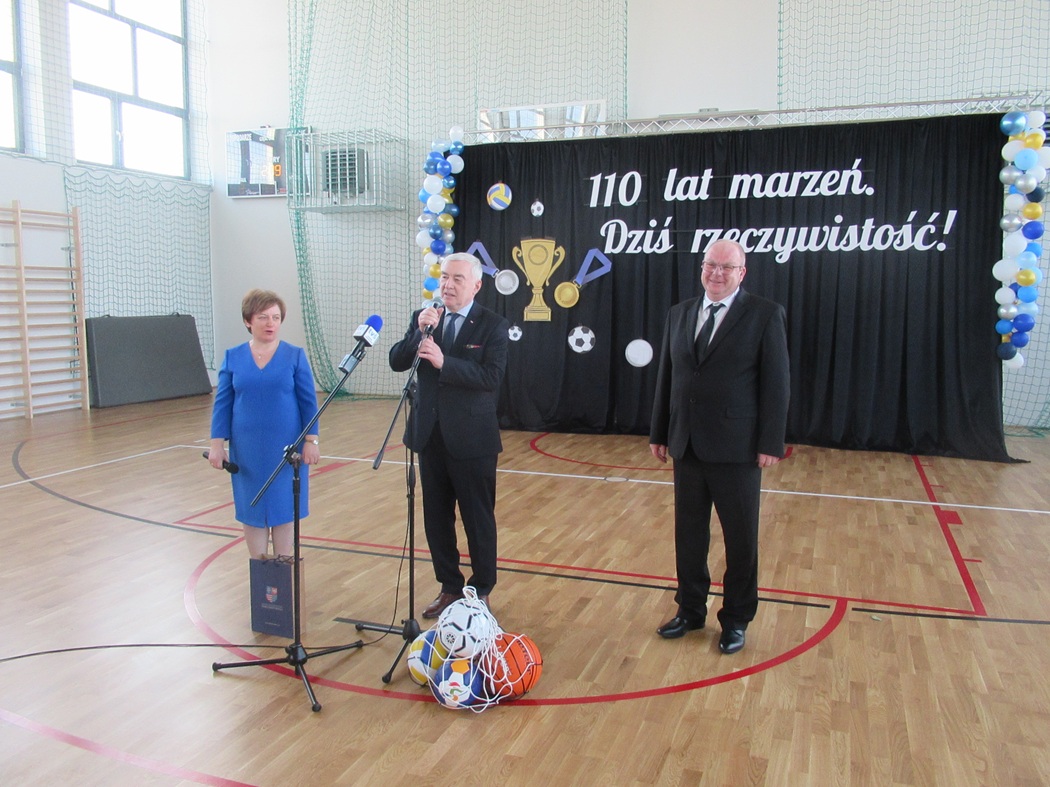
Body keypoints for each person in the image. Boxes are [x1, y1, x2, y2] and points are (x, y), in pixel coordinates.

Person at [649, 239, 790, 655]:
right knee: (689, 536)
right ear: (702, 267)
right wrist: (660, 432)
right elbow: (668, 376)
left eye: (727, 267)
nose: (717, 273)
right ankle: (690, 610)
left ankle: (736, 619)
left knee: (740, 540)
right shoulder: (679, 313)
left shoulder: (765, 315)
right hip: (687, 444)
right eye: (711, 264)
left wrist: (770, 441)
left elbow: (777, 383)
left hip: (738, 448)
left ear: (741, 273)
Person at [389, 252, 509, 619]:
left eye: (457, 278)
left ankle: (481, 591)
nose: (448, 285)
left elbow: (491, 378)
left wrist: (445, 363)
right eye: (444, 277)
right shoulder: (426, 317)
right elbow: (397, 361)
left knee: (477, 519)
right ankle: (450, 587)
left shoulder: (492, 325)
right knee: (437, 519)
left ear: (476, 285)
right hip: (430, 436)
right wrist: (417, 333)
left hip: (472, 439)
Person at [208, 289, 321, 559]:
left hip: (286, 449)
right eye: (263, 317)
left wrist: (311, 440)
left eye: (276, 317)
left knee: (284, 509)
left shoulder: (294, 356)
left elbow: (309, 403)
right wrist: (216, 445)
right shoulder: (233, 357)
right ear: (248, 321)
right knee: (252, 509)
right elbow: (222, 404)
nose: (271, 323)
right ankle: (259, 569)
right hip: (246, 450)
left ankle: (283, 567)